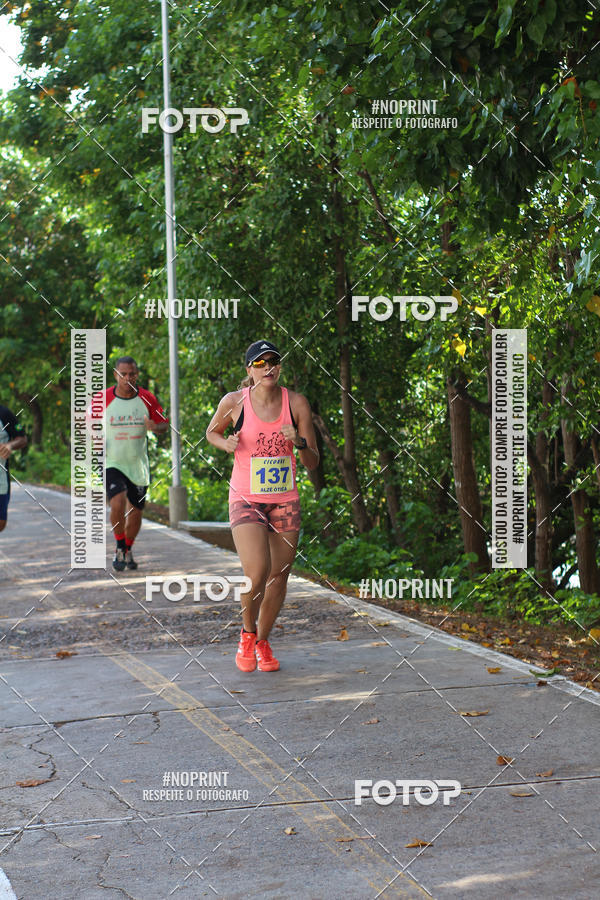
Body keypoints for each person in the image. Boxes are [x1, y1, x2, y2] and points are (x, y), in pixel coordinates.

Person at [206, 340, 319, 672]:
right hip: (246, 498)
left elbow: (312, 462)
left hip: (284, 499)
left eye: (273, 361)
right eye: (260, 363)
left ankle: (263, 642)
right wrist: (224, 443)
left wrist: (297, 441)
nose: (268, 367)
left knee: (279, 576)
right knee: (256, 573)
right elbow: (211, 432)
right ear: (249, 370)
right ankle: (247, 632)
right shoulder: (234, 402)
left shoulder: (296, 403)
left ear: (280, 366)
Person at [89, 357, 168, 571]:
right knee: (117, 501)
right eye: (123, 374)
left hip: (137, 464)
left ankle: (128, 548)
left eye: (132, 374)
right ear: (115, 375)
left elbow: (163, 424)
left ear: (137, 374)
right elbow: (88, 425)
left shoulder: (147, 398)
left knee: (136, 511)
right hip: (110, 461)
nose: (128, 378)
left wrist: (155, 427)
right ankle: (119, 545)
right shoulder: (101, 399)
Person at [0, 404, 27, 532]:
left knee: (1, 523)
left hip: (1, 481)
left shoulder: (5, 414)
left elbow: (22, 438)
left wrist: (10, 445)